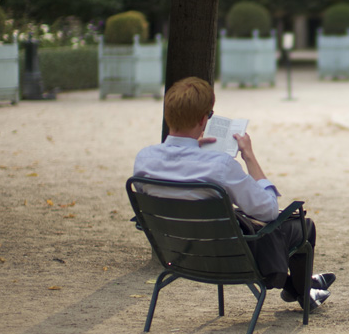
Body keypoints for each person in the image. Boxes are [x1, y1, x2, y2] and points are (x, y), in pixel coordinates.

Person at [133, 77, 333, 311]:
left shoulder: (144, 160)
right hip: (227, 257)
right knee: (303, 225)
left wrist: (191, 151)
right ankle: (301, 290)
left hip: (180, 254)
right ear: (203, 119)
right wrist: (249, 156)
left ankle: (301, 287)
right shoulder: (219, 166)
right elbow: (268, 212)